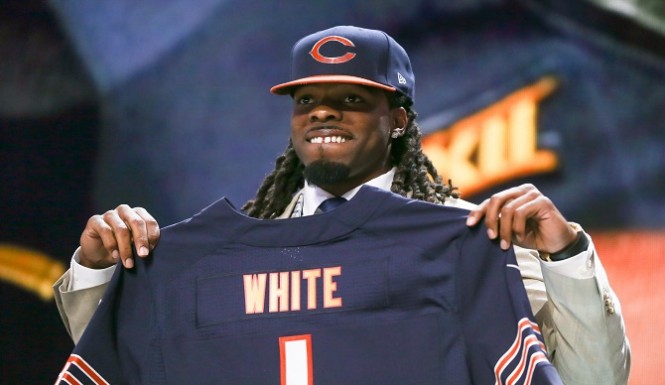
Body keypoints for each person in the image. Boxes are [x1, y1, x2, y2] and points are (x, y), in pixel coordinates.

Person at [53, 25, 630, 384]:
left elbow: (595, 380)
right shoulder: (214, 255)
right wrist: (101, 270)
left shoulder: (470, 242)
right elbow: (136, 361)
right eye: (308, 100)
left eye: (351, 99)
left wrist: (565, 257)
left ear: (399, 119)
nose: (323, 113)